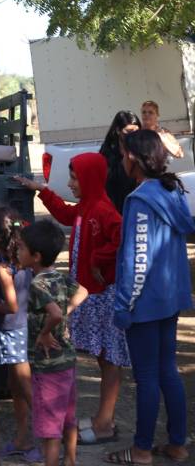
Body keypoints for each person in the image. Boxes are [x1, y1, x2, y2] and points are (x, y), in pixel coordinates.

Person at [15, 152, 129, 447]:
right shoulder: (87, 206)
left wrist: (97, 259)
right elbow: (65, 214)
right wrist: (42, 191)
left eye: (76, 178)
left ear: (90, 179)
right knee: (103, 359)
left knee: (109, 359)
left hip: (103, 296)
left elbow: (121, 238)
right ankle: (105, 418)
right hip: (92, 294)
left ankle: (105, 423)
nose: (71, 183)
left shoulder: (103, 209)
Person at [106, 129, 194, 465]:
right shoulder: (171, 191)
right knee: (167, 371)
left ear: (135, 158)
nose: (122, 158)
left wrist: (124, 305)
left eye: (124, 153)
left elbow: (137, 260)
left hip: (144, 304)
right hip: (169, 299)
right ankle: (176, 444)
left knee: (147, 378)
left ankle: (141, 450)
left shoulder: (141, 199)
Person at [17, 219, 88, 466]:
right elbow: (83, 292)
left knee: (50, 430)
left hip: (47, 367)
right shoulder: (58, 277)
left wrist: (46, 331)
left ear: (35, 256)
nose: (18, 252)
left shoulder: (38, 284)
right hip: (67, 361)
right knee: (69, 419)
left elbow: (55, 314)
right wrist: (66, 310)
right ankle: (70, 461)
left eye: (21, 249)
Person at [0, 205, 36, 458]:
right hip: (23, 328)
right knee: (16, 386)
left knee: (25, 388)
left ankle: (49, 438)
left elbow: (11, 305)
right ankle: (23, 438)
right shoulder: (24, 259)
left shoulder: (3, 268)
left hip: (12, 331)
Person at [99, 111, 140, 214]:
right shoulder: (108, 151)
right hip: (116, 203)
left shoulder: (141, 147)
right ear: (118, 130)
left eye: (136, 131)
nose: (133, 135)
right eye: (129, 131)